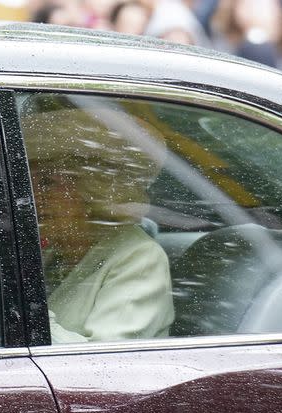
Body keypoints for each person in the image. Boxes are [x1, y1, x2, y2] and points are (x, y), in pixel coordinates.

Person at [20, 94, 174, 343]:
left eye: (48, 183)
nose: (33, 197)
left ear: (92, 190)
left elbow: (105, 365)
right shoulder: (54, 254)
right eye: (30, 183)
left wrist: (26, 316)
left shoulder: (140, 259)